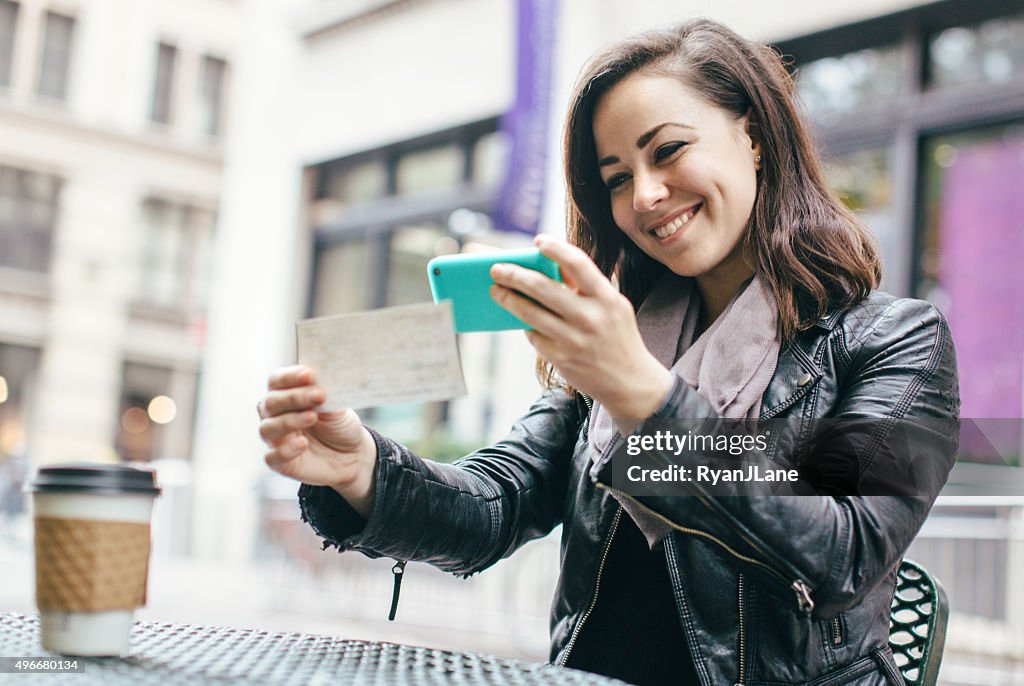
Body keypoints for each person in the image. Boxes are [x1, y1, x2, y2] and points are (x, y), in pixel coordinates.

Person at [257, 19, 959, 686]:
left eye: (668, 150)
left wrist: (646, 400)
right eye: (617, 177)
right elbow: (496, 505)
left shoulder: (894, 343)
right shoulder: (622, 337)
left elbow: (842, 555)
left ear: (752, 135)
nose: (646, 196)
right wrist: (364, 470)